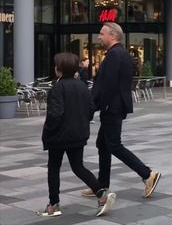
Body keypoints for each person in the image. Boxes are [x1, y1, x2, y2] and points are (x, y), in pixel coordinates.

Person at [80, 22, 161, 198]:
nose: (99, 37)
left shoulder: (115, 55)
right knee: (103, 144)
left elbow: (106, 86)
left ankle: (147, 174)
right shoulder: (119, 54)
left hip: (112, 107)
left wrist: (94, 107)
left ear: (113, 36)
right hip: (114, 106)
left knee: (113, 145)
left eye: (102, 34)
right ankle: (102, 185)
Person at [40, 53, 117, 217]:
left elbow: (55, 115)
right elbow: (90, 110)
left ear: (58, 69)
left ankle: (53, 204)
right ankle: (101, 194)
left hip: (59, 136)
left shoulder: (57, 88)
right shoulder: (82, 86)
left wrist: (47, 134)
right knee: (78, 167)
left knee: (54, 168)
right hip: (78, 134)